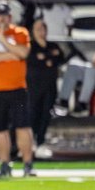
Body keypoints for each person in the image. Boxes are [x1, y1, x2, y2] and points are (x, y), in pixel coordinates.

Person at [0, 0, 35, 177]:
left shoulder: (20, 32)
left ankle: (27, 164)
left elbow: (23, 53)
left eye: (5, 15)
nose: (2, 19)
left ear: (10, 17)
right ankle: (4, 163)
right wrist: (10, 54)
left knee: (22, 126)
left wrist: (3, 40)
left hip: (17, 89)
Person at [26, 18, 66, 160]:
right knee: (33, 113)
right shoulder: (30, 46)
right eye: (37, 29)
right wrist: (47, 59)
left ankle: (41, 141)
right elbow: (34, 60)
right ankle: (30, 143)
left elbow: (60, 57)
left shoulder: (52, 45)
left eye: (43, 28)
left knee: (45, 114)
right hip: (34, 86)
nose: (41, 32)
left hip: (49, 85)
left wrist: (46, 58)